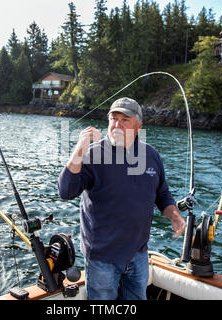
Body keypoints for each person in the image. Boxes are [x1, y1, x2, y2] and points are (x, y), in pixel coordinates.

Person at [57, 97, 186, 300]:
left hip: (139, 254)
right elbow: (65, 191)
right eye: (113, 118)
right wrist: (78, 150)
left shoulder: (151, 155)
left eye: (125, 119)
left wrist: (174, 216)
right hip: (102, 258)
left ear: (138, 125)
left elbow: (162, 194)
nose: (117, 124)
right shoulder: (92, 154)